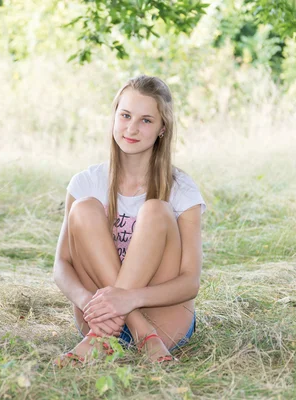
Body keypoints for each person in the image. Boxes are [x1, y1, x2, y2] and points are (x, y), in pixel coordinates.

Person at [53, 75, 206, 365]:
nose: (132, 128)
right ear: (114, 117)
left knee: (156, 211)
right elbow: (61, 266)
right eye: (125, 115)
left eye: (146, 120)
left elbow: (190, 283)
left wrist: (130, 299)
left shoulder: (183, 190)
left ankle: (125, 335)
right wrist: (91, 304)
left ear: (163, 128)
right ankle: (134, 332)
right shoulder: (86, 183)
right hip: (99, 320)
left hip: (164, 321)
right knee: (85, 209)